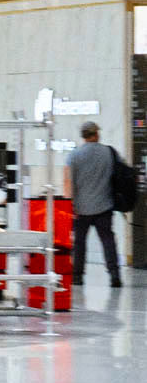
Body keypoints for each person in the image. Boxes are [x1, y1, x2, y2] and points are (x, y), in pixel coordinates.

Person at [63, 121, 124, 289]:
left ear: (83, 135)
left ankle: (77, 276)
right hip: (104, 206)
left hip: (81, 209)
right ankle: (114, 274)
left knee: (79, 243)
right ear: (96, 134)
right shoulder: (109, 153)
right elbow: (119, 176)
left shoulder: (74, 155)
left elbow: (68, 183)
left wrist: (71, 205)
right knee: (108, 240)